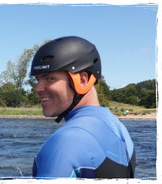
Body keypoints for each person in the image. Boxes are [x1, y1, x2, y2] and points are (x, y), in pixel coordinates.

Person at [30, 36, 135, 178]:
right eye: (38, 80)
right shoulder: (117, 127)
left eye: (50, 78)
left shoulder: (64, 143)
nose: (38, 88)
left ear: (82, 80)